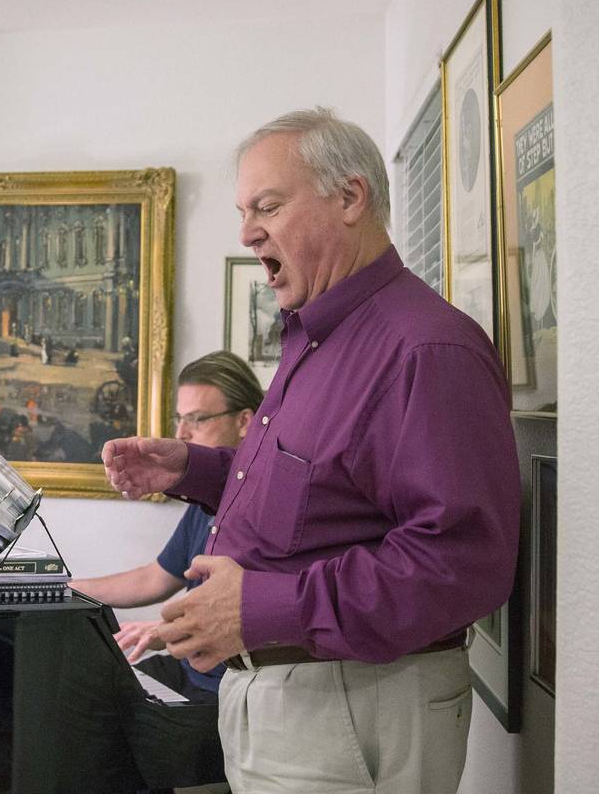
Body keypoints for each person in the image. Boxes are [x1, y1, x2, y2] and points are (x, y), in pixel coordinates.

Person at [102, 108, 519, 793]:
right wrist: (198, 468)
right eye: (243, 212)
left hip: (352, 706)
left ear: (350, 197)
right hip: (296, 705)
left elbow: (461, 564)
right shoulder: (319, 336)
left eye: (267, 206)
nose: (247, 232)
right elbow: (327, 490)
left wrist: (264, 607)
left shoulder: (426, 349)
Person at [73, 351, 263, 707]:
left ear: (244, 421)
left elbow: (247, 607)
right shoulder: (208, 496)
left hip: (229, 688)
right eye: (180, 419)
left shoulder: (265, 502)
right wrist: (64, 589)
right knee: (82, 692)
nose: (181, 434)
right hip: (190, 671)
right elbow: (156, 578)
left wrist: (163, 631)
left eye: (197, 419)